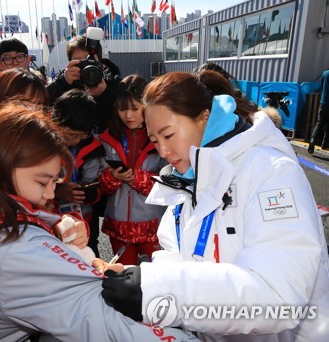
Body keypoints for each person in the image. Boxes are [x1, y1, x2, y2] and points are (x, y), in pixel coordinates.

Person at [0, 102, 187, 342]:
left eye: (55, 181)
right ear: (2, 164)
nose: (51, 194)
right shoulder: (14, 251)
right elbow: (108, 324)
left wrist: (54, 229)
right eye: (43, 181)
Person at [100, 72, 329, 341]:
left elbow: (279, 297)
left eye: (169, 135)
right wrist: (141, 278)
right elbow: (181, 258)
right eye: (154, 140)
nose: (162, 151)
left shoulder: (271, 172)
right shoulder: (185, 181)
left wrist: (158, 289)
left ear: (204, 117)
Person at [98, 75, 167, 265]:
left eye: (135, 109)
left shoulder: (162, 137)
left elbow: (169, 182)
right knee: (125, 278)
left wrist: (137, 178)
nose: (128, 115)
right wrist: (112, 176)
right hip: (118, 226)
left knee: (156, 278)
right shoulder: (106, 139)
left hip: (154, 224)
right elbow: (99, 185)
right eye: (122, 109)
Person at [51, 89, 106, 255]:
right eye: (70, 134)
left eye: (81, 136)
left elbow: (97, 183)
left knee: (89, 252)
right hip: (52, 218)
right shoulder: (43, 144)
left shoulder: (93, 147)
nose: (75, 140)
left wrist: (89, 191)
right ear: (56, 122)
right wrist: (59, 191)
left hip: (86, 218)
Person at [46, 34, 121, 133]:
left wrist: (104, 93)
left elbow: (126, 112)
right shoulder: (65, 82)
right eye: (79, 61)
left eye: (89, 59)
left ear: (99, 60)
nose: (86, 64)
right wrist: (63, 83)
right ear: (70, 63)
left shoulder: (112, 81)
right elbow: (42, 102)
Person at [308, 69, 329, 153]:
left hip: (324, 102)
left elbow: (321, 86)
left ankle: (312, 140)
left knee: (320, 122)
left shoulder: (325, 73)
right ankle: (325, 143)